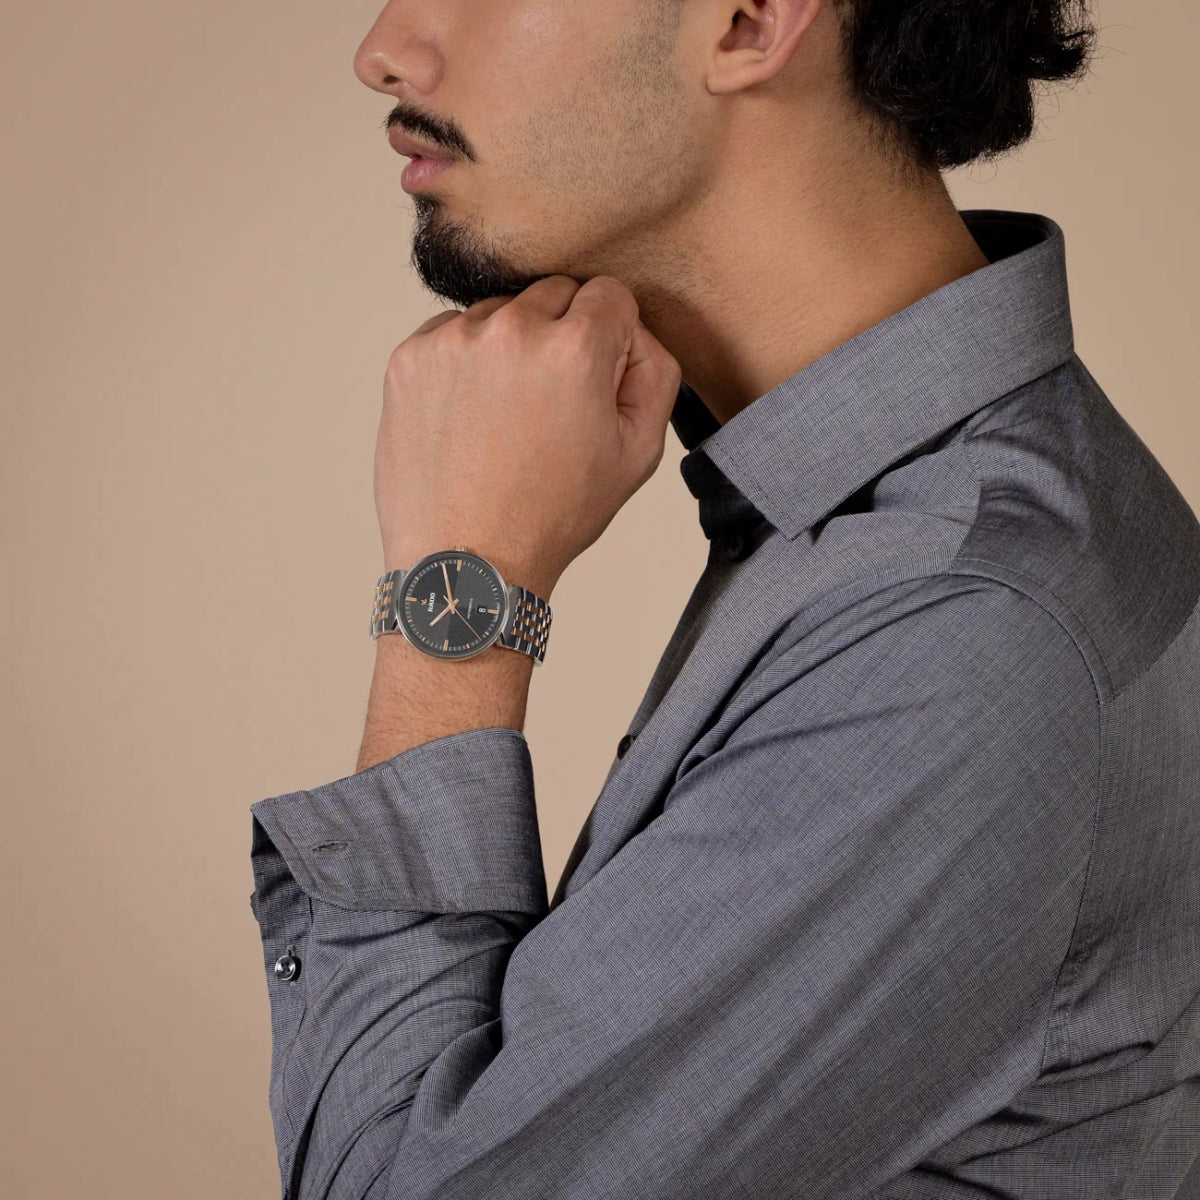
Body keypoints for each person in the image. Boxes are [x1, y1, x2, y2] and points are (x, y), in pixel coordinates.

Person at [247, 1, 1200, 1196]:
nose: (384, 49)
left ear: (752, 20)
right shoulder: (908, 532)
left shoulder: (964, 631)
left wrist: (460, 602)